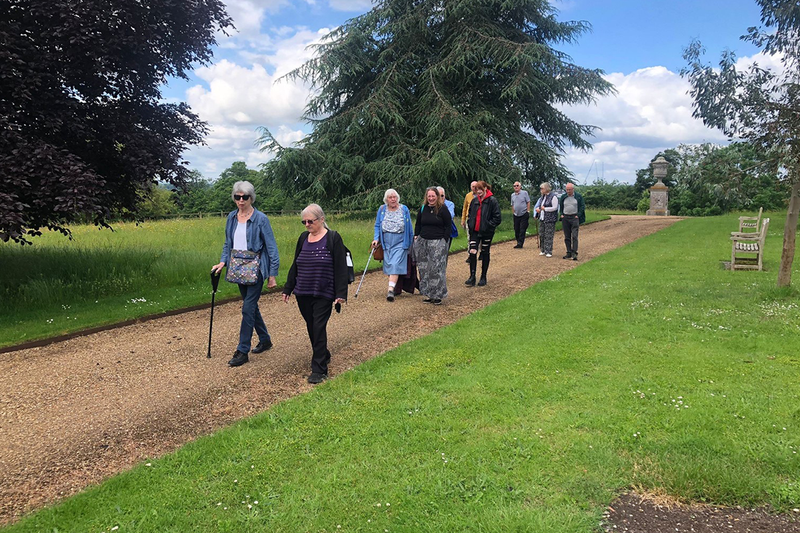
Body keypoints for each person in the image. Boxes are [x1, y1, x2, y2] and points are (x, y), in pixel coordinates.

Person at [211, 181, 280, 367]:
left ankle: (242, 350)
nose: (241, 201)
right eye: (237, 197)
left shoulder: (261, 219)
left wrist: (272, 274)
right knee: (251, 307)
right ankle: (265, 340)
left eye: (245, 197)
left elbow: (272, 247)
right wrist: (223, 261)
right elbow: (228, 243)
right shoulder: (231, 217)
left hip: (256, 267)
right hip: (238, 267)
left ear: (251, 198)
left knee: (247, 308)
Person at [282, 204, 348, 384]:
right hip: (303, 291)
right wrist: (288, 287)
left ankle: (319, 369)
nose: (307, 225)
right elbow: (296, 264)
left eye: (310, 221)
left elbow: (340, 267)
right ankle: (323, 353)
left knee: (319, 327)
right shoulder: (303, 238)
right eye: (304, 222)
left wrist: (340, 292)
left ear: (322, 219)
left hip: (324, 291)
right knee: (311, 326)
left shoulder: (333, 238)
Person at [372, 189, 414, 302]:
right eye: (390, 197)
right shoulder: (381, 209)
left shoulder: (404, 209)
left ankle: (390, 289)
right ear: (386, 199)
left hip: (400, 242)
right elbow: (377, 226)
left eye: (394, 197)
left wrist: (411, 240)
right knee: (390, 265)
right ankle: (395, 286)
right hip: (386, 243)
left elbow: (409, 226)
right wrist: (376, 239)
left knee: (395, 264)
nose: (393, 199)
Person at [414, 187, 452, 304]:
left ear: (437, 196)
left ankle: (438, 295)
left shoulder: (443, 209)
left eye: (433, 196)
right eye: (429, 196)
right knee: (424, 269)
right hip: (423, 241)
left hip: (438, 241)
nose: (431, 198)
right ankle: (429, 293)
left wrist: (444, 240)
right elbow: (418, 224)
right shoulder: (423, 208)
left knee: (436, 269)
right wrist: (416, 236)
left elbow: (448, 225)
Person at [466, 180, 502, 286]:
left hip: (486, 232)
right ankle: (472, 276)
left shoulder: (492, 201)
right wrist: (470, 224)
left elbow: (497, 218)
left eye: (480, 189)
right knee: (472, 251)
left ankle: (483, 276)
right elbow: (470, 214)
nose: (479, 191)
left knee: (485, 252)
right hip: (475, 231)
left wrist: (488, 226)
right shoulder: (474, 201)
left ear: (485, 188)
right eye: (477, 189)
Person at [559, 183, 586, 261]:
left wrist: (578, 215)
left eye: (569, 189)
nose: (568, 191)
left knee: (574, 236)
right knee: (567, 236)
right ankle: (568, 252)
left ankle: (574, 252)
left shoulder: (578, 196)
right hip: (565, 217)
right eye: (567, 189)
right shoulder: (563, 197)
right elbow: (561, 206)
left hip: (574, 217)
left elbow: (582, 206)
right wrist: (561, 214)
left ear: (573, 189)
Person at [534, 182, 559, 258]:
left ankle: (549, 251)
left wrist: (545, 209)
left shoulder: (553, 197)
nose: (541, 190)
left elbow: (555, 207)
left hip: (550, 219)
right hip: (542, 218)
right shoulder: (542, 197)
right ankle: (543, 250)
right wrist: (538, 210)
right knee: (542, 234)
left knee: (549, 235)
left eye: (542, 188)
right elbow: (539, 206)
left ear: (546, 189)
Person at [437, 186, 458, 251]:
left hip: (447, 230)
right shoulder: (432, 205)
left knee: (444, 251)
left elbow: (450, 216)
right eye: (438, 195)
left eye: (442, 196)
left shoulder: (449, 204)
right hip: (435, 230)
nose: (440, 198)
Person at [510, 181, 531, 248]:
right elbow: (512, 204)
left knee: (522, 229)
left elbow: (528, 202)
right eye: (514, 186)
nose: (516, 187)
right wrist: (513, 212)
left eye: (517, 186)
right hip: (516, 214)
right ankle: (518, 241)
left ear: (520, 186)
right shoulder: (512, 195)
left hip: (524, 213)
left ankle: (520, 243)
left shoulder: (524, 193)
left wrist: (528, 211)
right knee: (516, 229)